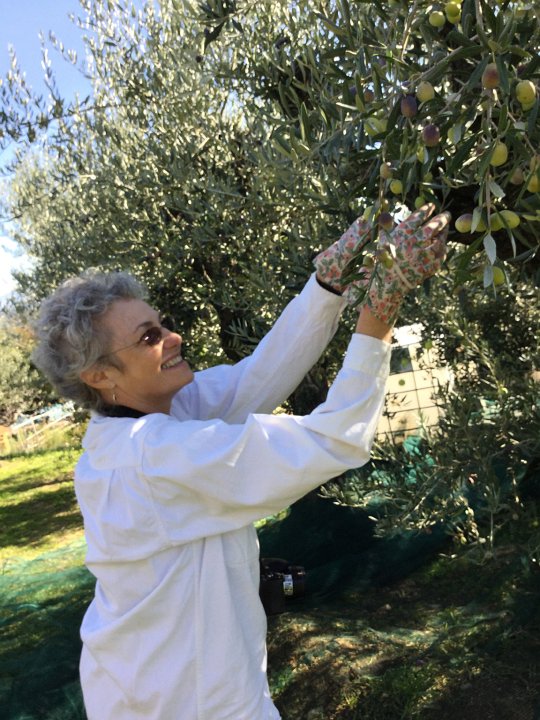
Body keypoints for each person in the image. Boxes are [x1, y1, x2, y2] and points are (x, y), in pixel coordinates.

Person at [33, 203, 450, 720]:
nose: (173, 337)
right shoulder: (154, 460)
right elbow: (333, 439)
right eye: (148, 337)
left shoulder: (150, 418)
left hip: (154, 686)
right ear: (99, 376)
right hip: (182, 705)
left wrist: (328, 285)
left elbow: (258, 376)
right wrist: (381, 308)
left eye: (162, 324)